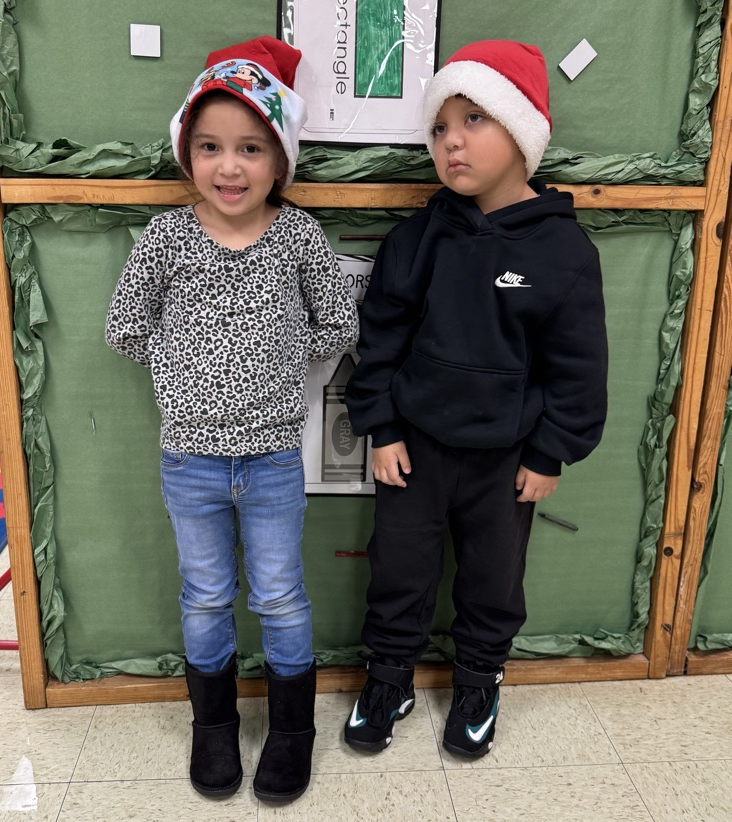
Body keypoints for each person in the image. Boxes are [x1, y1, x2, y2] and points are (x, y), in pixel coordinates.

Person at [105, 36, 358, 802]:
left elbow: (339, 323)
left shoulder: (298, 235)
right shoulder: (167, 237)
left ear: (279, 158)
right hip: (190, 459)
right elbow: (124, 327)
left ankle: (291, 733)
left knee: (280, 595)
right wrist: (185, 368)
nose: (230, 165)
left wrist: (286, 359)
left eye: (251, 147)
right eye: (210, 146)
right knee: (207, 594)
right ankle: (212, 728)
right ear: (188, 154)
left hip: (274, 456)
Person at [343, 40, 608, 758]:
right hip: (415, 450)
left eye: (474, 120)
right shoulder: (418, 239)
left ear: (521, 133)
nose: (451, 141)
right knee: (398, 569)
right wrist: (383, 426)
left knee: (494, 579)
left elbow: (579, 367)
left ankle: (479, 680)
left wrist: (553, 450)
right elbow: (381, 340)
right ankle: (389, 677)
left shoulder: (565, 252)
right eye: (439, 128)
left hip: (508, 460)